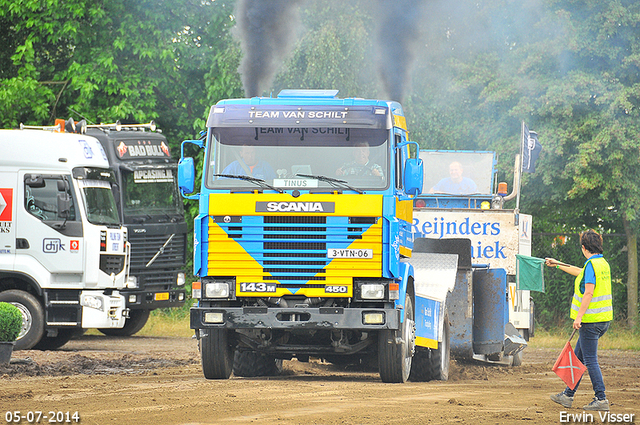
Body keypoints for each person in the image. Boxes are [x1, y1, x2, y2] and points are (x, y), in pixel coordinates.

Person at [545, 229, 613, 411]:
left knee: (590, 360)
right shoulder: (601, 263)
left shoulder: (592, 265)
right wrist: (557, 264)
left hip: (590, 322)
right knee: (578, 358)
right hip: (603, 320)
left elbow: (589, 292)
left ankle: (601, 399)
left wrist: (579, 317)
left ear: (584, 248)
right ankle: (567, 395)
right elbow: (580, 272)